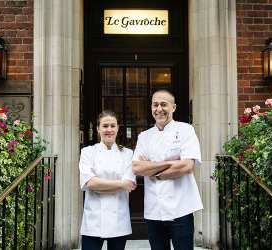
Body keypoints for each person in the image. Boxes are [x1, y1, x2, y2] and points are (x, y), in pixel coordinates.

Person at [132, 90, 203, 250]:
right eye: (155, 104)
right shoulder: (144, 136)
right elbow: (136, 167)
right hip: (153, 210)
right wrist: (170, 164)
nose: (159, 109)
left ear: (173, 107)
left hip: (181, 209)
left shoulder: (186, 130)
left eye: (164, 104)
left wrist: (150, 167)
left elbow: (186, 166)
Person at [79, 110, 136, 250]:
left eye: (112, 125)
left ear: (117, 128)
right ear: (98, 129)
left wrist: (100, 184)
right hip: (94, 220)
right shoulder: (87, 152)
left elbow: (129, 184)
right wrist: (120, 184)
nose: (109, 130)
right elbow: (90, 183)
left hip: (119, 219)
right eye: (105, 126)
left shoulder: (128, 154)